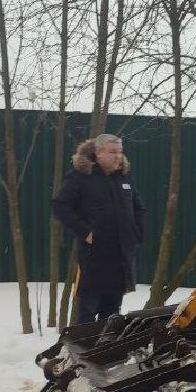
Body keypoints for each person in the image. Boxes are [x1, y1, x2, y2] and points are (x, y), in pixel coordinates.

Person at [51, 134, 147, 324]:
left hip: (121, 255)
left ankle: (106, 349)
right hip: (95, 254)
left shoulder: (124, 177)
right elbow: (60, 206)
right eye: (112, 152)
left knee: (112, 311)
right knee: (88, 308)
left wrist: (136, 235)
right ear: (98, 153)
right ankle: (83, 348)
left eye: (120, 152)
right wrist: (85, 233)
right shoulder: (81, 176)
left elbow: (139, 208)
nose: (118, 156)